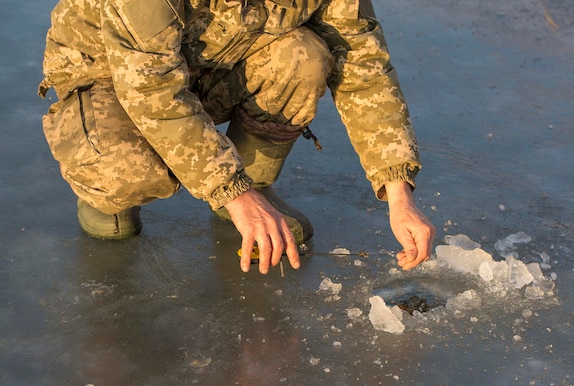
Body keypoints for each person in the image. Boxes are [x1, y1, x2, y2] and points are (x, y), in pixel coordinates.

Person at [39, 0, 435, 274]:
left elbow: (364, 68)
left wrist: (398, 193)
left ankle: (254, 188)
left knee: (303, 55)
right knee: (124, 173)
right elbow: (151, 92)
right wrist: (231, 189)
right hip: (112, 80)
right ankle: (105, 196)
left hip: (210, 64)